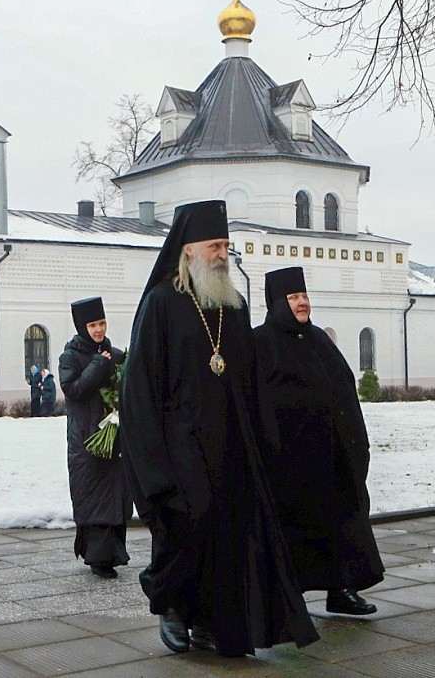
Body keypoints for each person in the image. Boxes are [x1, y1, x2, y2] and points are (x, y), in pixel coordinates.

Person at [120, 199, 318, 657]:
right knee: (188, 523)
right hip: (181, 441)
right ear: (188, 250)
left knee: (229, 533)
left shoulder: (235, 304)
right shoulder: (161, 303)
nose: (222, 255)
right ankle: (173, 606)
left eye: (226, 246)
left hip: (231, 439)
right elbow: (141, 387)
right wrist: (151, 459)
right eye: (214, 246)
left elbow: (250, 378)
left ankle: (213, 621)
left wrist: (264, 438)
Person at [253, 267, 384, 615]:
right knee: (293, 531)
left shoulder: (319, 339)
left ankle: (341, 589)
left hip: (332, 457)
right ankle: (286, 601)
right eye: (293, 298)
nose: (302, 303)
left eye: (304, 296)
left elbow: (343, 385)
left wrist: (356, 441)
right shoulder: (260, 343)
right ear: (277, 303)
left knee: (342, 523)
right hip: (288, 462)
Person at [58, 297, 130, 578]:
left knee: (114, 497)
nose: (99, 329)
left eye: (102, 323)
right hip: (86, 441)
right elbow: (73, 391)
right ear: (82, 327)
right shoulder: (70, 357)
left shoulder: (116, 355)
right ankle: (98, 558)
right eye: (92, 325)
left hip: (113, 438)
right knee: (93, 497)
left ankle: (112, 555)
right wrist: (98, 364)